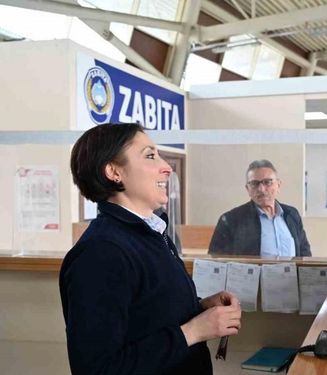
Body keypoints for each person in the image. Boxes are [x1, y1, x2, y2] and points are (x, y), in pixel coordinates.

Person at [61, 123, 241, 374]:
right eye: (150, 156)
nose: (166, 167)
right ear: (114, 172)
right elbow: (97, 368)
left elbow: (146, 316)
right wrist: (193, 331)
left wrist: (198, 309)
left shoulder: (151, 233)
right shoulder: (101, 253)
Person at [208, 160, 311, 256]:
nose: (261, 189)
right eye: (254, 184)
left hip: (291, 275)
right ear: (247, 189)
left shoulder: (291, 214)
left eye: (267, 182)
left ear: (278, 185)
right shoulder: (231, 220)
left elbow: (305, 254)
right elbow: (215, 259)